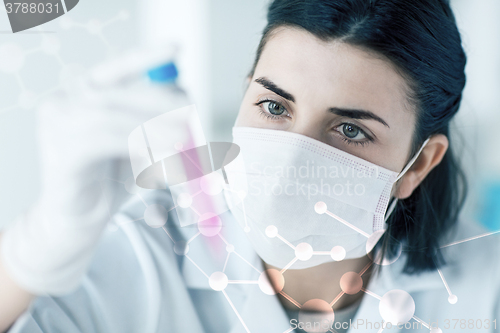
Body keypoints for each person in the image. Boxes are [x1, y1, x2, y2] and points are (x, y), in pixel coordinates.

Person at [1, 0, 499, 332]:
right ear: (247, 92)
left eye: (350, 130)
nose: (291, 163)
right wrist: (30, 256)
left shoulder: (485, 288)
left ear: (418, 165)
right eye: (275, 107)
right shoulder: (142, 255)